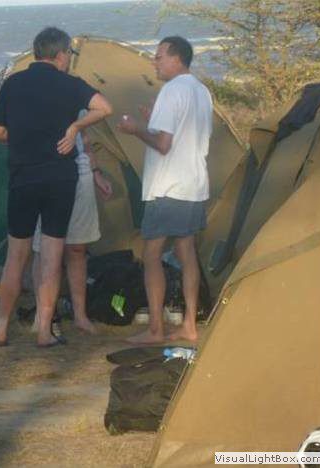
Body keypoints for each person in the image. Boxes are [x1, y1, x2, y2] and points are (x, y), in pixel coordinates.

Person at [0, 27, 113, 348]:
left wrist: (25, 137)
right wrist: (75, 126)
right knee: (52, 258)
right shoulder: (70, 85)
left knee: (16, 257)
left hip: (23, 179)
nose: (69, 59)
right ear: (60, 55)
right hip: (60, 180)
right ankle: (44, 332)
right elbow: (105, 108)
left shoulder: (13, 83)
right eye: (68, 54)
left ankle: (0, 329)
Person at [117, 36, 213, 344]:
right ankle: (189, 326)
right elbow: (183, 134)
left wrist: (136, 130)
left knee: (152, 254)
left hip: (169, 187)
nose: (154, 62)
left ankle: (156, 329)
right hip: (194, 185)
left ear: (176, 58)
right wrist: (151, 122)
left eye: (159, 57)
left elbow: (163, 144)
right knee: (186, 253)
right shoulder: (201, 91)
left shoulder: (173, 90)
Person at [31, 128, 113, 335]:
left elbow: (85, 140)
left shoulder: (78, 99)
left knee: (77, 249)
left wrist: (96, 173)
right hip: (46, 176)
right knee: (45, 251)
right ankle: (44, 316)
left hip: (81, 176)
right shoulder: (36, 98)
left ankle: (80, 316)